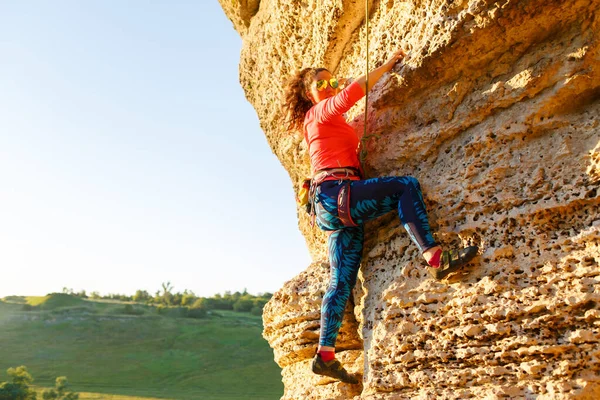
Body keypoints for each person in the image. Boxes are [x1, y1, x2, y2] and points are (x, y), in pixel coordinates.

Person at [281, 49, 478, 384]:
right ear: (308, 93)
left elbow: (345, 108)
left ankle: (325, 355)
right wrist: (387, 66)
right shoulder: (319, 113)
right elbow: (355, 91)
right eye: (320, 82)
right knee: (404, 187)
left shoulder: (321, 123)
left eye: (330, 78)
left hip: (333, 206)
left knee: (340, 282)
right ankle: (435, 258)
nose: (328, 84)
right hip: (340, 194)